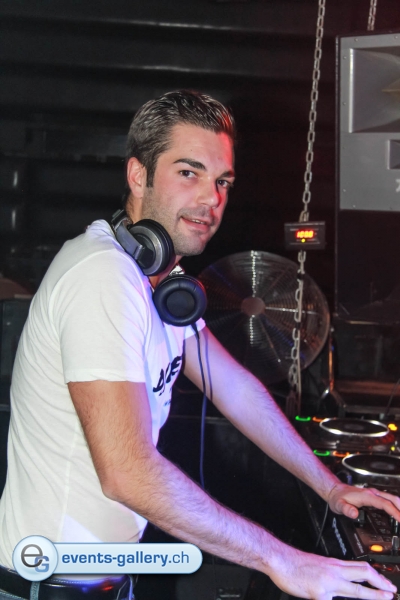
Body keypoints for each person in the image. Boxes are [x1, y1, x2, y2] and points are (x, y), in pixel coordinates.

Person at [0, 90, 399, 600]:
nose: (212, 198)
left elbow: (238, 391)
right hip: (47, 585)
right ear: (138, 175)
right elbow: (127, 473)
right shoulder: (102, 276)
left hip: (100, 580)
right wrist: (284, 560)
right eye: (189, 172)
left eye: (222, 181)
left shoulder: (163, 282)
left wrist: (330, 486)